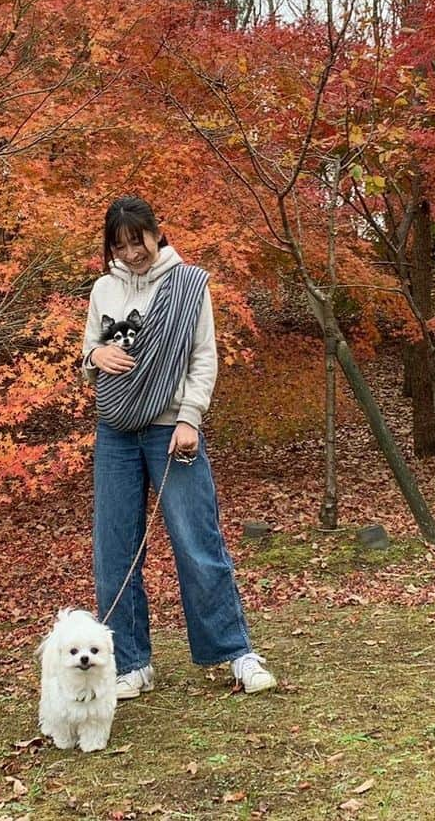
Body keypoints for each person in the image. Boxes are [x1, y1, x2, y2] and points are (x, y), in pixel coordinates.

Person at [82, 195, 276, 699]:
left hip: (172, 429)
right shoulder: (105, 289)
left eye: (137, 240)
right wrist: (95, 354)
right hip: (115, 431)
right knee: (114, 551)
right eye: (119, 245)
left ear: (155, 232)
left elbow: (202, 358)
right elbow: (93, 352)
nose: (130, 252)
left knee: (197, 541)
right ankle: (129, 663)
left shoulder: (188, 285)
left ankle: (235, 652)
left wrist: (189, 417)